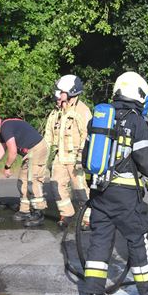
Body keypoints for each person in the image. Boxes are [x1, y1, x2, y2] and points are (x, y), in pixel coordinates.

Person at [80, 72, 148, 295]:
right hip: (125, 194)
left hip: (99, 193)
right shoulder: (136, 121)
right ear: (139, 94)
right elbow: (144, 158)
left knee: (100, 240)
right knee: (137, 238)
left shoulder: (99, 118)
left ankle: (93, 294)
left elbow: (86, 157)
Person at [43, 74, 92, 229]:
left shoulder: (82, 110)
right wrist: (42, 156)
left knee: (80, 190)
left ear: (71, 91)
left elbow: (87, 135)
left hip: (76, 158)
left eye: (61, 91)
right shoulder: (56, 112)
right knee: (56, 185)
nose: (58, 94)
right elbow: (48, 136)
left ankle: (88, 218)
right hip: (60, 157)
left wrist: (81, 157)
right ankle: (67, 213)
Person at [0, 118, 48, 227]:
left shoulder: (5, 128)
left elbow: (13, 152)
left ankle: (39, 212)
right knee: (22, 181)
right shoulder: (2, 131)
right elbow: (1, 151)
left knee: (33, 181)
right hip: (28, 153)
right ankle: (25, 210)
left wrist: (7, 166)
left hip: (37, 148)